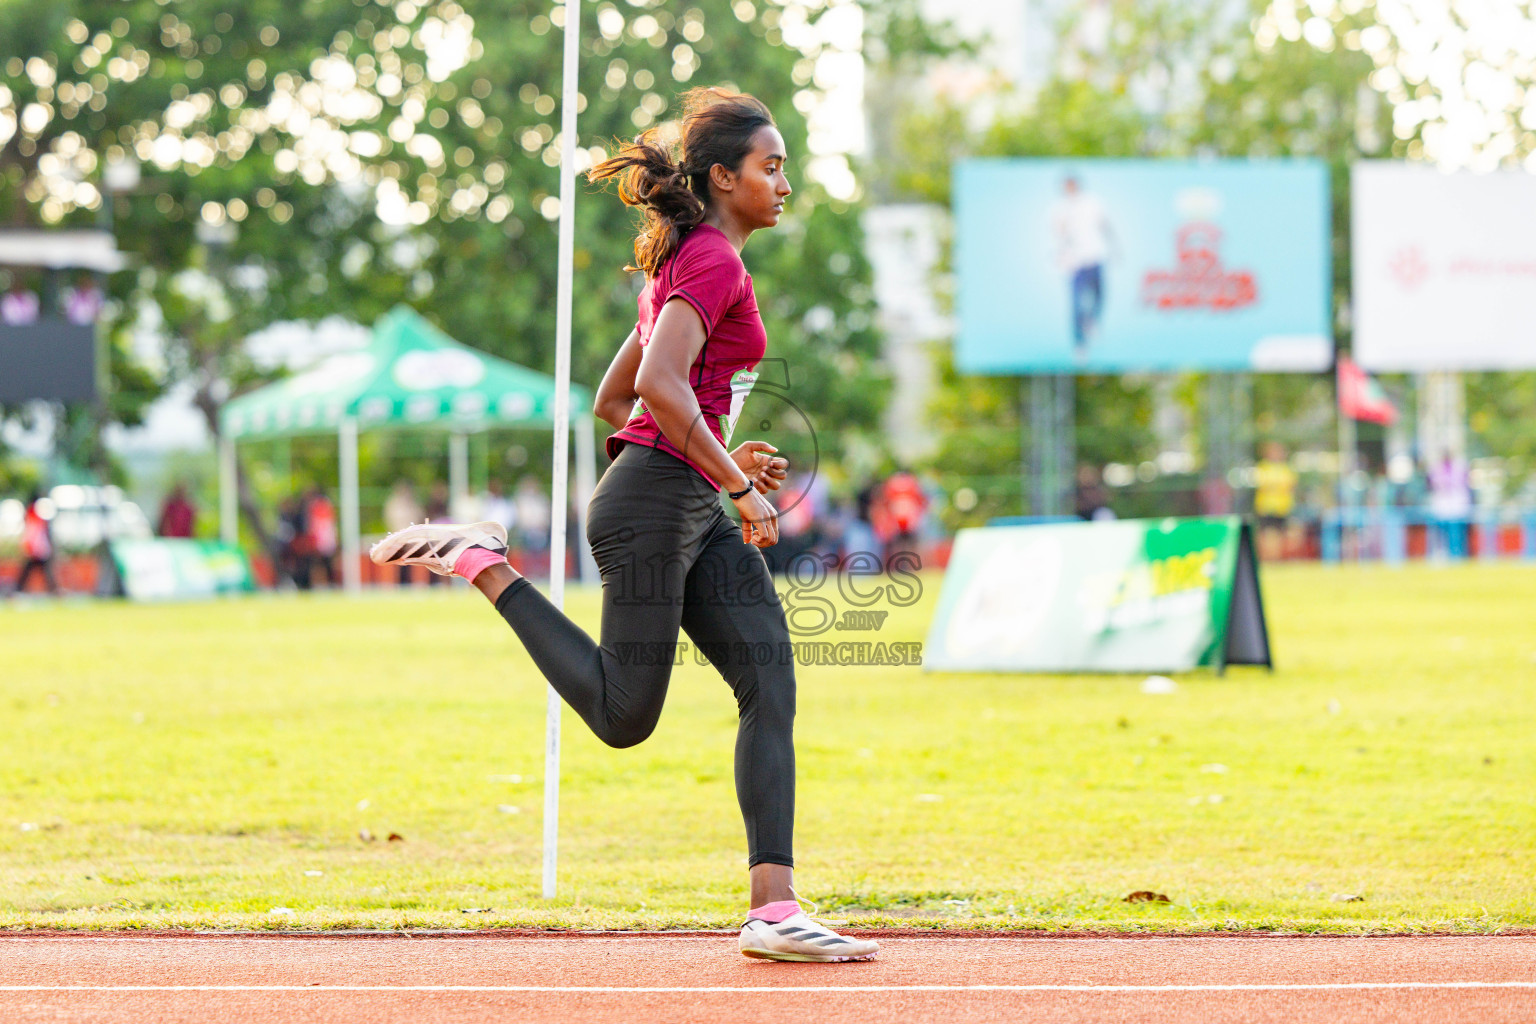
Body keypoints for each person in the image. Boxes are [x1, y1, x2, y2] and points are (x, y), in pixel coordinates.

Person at [368, 87, 876, 964]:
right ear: (725, 177)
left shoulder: (689, 261)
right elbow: (651, 393)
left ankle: (773, 909)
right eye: (772, 166)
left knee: (770, 679)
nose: (786, 181)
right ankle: (485, 562)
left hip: (677, 496)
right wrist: (737, 484)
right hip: (655, 500)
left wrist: (720, 460)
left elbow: (618, 398)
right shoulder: (712, 261)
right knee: (621, 715)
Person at [1049, 175, 1114, 361]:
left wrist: (1112, 248)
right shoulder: (1060, 208)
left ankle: (1092, 322)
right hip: (1075, 262)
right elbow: (1058, 234)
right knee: (1077, 305)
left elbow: (1104, 225)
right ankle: (1079, 345)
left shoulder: (1093, 202)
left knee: (1099, 295)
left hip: (1095, 256)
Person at [8, 490, 58, 596]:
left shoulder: (34, 514)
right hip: (37, 549)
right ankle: (18, 589)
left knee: (36, 571)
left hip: (38, 549)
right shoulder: (34, 514)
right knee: (35, 571)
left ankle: (18, 590)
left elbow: (34, 533)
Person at [1253, 442, 1297, 561]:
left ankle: (1276, 558)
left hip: (1282, 507)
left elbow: (1291, 486)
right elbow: (1262, 485)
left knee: (1280, 534)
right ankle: (1263, 558)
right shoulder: (1263, 467)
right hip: (1266, 506)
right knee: (1265, 533)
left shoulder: (1285, 469)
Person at [382, 481, 425, 585]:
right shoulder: (394, 504)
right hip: (398, 535)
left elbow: (419, 516)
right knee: (398, 561)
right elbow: (391, 519)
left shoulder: (412, 503)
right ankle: (399, 582)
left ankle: (409, 582)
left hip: (410, 536)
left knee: (411, 561)